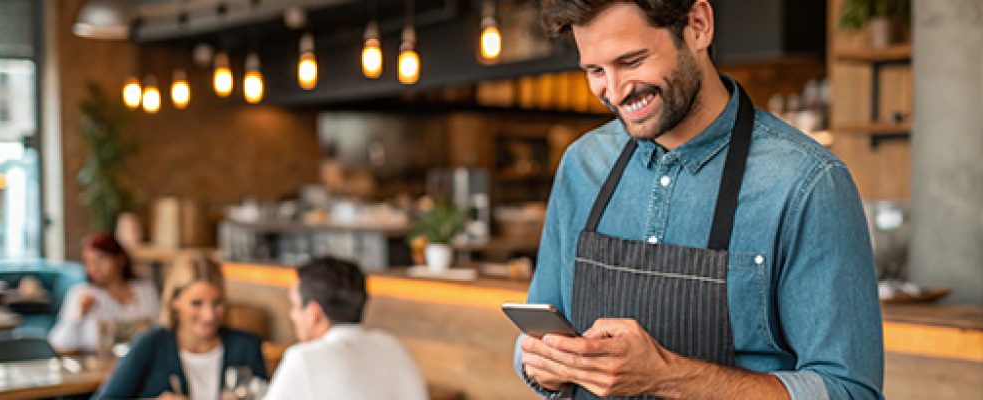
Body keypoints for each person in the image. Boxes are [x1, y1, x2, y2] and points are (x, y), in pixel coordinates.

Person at [516, 1, 883, 399]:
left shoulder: (806, 184)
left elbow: (849, 391)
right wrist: (541, 367)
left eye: (632, 61)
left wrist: (665, 376)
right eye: (595, 71)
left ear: (698, 25)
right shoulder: (582, 165)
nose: (616, 91)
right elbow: (535, 338)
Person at [94, 254, 267, 400]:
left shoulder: (247, 347)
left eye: (217, 303)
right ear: (174, 301)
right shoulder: (150, 344)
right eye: (197, 303)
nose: (209, 315)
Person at [265, 257, 427, 400]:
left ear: (314, 314)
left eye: (295, 305)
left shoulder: (304, 358)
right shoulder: (391, 345)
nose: (292, 315)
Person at [48, 233, 159, 352]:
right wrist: (78, 315)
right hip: (94, 364)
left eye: (101, 258)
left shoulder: (146, 291)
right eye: (88, 262)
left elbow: (159, 331)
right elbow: (58, 342)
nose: (94, 267)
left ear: (121, 259)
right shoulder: (81, 294)